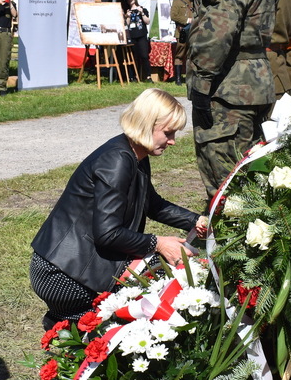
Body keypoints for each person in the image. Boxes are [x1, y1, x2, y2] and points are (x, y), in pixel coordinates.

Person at [30, 89, 208, 328]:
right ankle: (74, 333)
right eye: (168, 132)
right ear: (147, 125)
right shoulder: (118, 160)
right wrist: (159, 243)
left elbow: (152, 204)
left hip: (72, 263)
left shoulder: (134, 153)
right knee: (162, 277)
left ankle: (71, 333)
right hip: (64, 272)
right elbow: (107, 233)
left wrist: (196, 221)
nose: (173, 140)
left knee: (163, 273)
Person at [187, 0, 279, 199]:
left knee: (229, 189)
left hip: (228, 90)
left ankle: (228, 244)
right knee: (251, 178)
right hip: (256, 83)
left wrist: (201, 80)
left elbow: (218, 29)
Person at [123, 0, 152, 82]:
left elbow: (147, 21)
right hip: (132, 36)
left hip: (142, 35)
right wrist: (127, 16)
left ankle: (148, 76)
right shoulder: (128, 11)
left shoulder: (142, 9)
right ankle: (135, 76)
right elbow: (126, 24)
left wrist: (142, 13)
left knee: (144, 56)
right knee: (134, 57)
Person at [170, 0, 194, 84]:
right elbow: (173, 16)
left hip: (193, 32)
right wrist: (187, 20)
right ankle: (178, 78)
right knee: (179, 55)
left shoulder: (194, 2)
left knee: (191, 55)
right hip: (182, 32)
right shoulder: (177, 2)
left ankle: (190, 78)